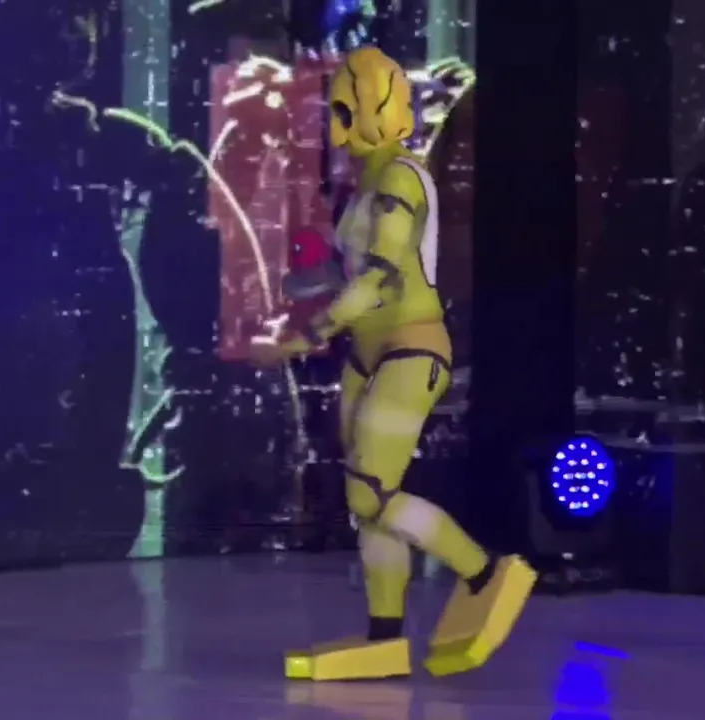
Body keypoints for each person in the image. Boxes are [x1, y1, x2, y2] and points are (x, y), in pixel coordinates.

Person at [248, 46, 535, 680]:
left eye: (341, 108)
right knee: (367, 499)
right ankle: (385, 635)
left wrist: (305, 336)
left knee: (372, 489)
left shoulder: (400, 179)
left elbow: (379, 281)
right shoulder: (370, 183)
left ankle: (484, 571)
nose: (332, 124)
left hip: (410, 348)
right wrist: (297, 290)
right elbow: (351, 270)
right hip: (369, 352)